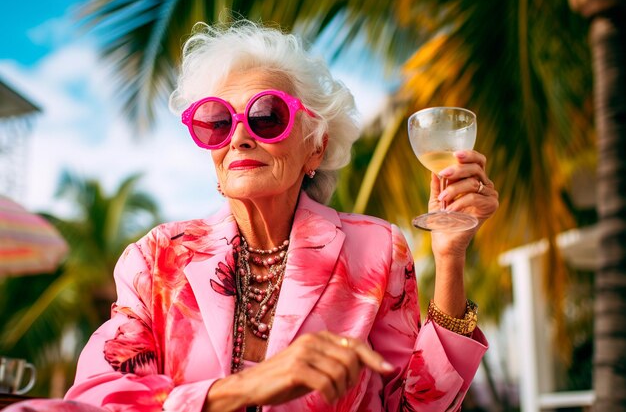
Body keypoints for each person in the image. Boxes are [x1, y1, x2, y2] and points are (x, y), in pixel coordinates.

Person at [6, 20, 498, 412]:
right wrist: (239, 391)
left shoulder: (376, 249)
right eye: (217, 122)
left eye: (266, 116)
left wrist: (450, 256)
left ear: (315, 145)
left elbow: (419, 406)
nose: (240, 136)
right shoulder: (157, 260)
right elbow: (95, 397)